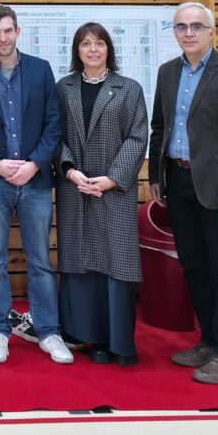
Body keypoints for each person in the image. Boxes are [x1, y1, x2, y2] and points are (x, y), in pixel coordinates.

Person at [148, 2, 218, 384]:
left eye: (197, 26)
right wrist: (156, 176)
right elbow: (159, 127)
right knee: (194, 267)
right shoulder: (167, 72)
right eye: (181, 26)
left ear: (211, 32)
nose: (189, 32)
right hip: (177, 181)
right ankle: (209, 341)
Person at [0, 4, 72, 365]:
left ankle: (48, 331)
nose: (2, 38)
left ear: (18, 31)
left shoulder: (40, 70)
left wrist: (34, 163)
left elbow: (54, 123)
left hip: (35, 179)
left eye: (8, 31)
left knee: (40, 260)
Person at [55, 23, 148, 366]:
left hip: (114, 190)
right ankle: (85, 335)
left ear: (109, 48)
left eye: (99, 43)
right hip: (75, 187)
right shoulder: (64, 88)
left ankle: (117, 342)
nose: (92, 50)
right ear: (77, 51)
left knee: (115, 262)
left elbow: (137, 138)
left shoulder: (129, 88)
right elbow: (53, 134)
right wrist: (69, 169)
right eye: (85, 44)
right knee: (81, 261)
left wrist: (112, 178)